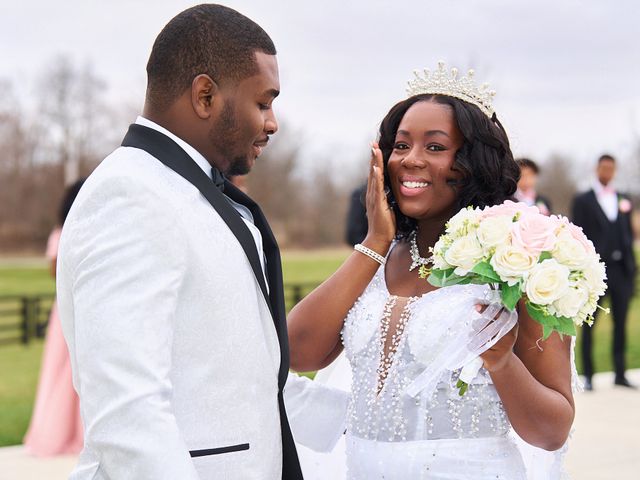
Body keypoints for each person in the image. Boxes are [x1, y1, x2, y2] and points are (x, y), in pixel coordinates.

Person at [57, 5, 345, 479]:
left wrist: (372, 423)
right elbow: (128, 412)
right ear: (206, 95)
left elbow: (244, 378)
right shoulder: (130, 195)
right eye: (263, 101)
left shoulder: (188, 191)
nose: (273, 123)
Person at [287, 63, 576, 479]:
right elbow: (298, 352)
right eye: (401, 146)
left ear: (472, 162)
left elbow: (552, 430)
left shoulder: (518, 261)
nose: (411, 160)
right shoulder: (378, 260)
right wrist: (373, 244)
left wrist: (501, 362)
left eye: (435, 147)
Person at [23, 180, 85, 456]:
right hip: (69, 307)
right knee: (65, 371)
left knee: (69, 371)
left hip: (66, 307)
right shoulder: (67, 232)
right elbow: (55, 272)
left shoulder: (64, 233)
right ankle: (62, 433)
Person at [572, 154, 637, 390]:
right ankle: (588, 375)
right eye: (604, 168)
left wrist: (631, 270)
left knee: (621, 323)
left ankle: (620, 374)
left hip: (621, 271)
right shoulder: (583, 200)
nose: (607, 172)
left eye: (611, 168)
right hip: (596, 272)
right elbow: (578, 234)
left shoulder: (623, 198)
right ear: (597, 169)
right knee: (590, 323)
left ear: (615, 170)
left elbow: (628, 235)